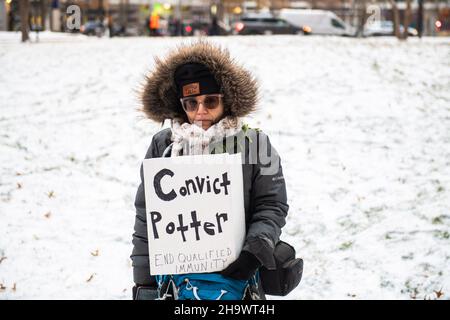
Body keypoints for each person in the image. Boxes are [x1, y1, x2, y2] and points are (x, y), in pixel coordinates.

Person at [131, 41, 289, 300]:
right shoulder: (163, 145)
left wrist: (254, 253)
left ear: (227, 100)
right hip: (176, 285)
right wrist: (143, 279)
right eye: (191, 104)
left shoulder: (257, 144)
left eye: (211, 101)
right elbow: (146, 215)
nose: (201, 111)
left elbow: (272, 205)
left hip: (240, 279)